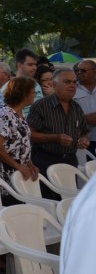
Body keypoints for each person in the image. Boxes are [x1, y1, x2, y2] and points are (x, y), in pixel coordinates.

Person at [28, 69, 90, 199]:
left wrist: (84, 140)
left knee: (69, 199)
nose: (72, 85)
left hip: (70, 160)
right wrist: (55, 138)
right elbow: (30, 134)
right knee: (49, 200)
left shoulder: (76, 108)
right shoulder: (41, 106)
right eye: (67, 82)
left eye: (74, 82)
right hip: (45, 160)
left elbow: (83, 132)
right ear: (54, 85)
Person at [0, 76, 39, 186]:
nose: (35, 94)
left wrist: (29, 163)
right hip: (2, 175)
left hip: (16, 175)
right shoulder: (4, 115)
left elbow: (22, 142)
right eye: (33, 92)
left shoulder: (19, 113)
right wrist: (17, 166)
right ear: (23, 94)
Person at [74, 59, 96, 148]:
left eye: (83, 70)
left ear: (94, 71)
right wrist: (84, 118)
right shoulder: (72, 88)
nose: (79, 73)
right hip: (83, 141)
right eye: (77, 70)